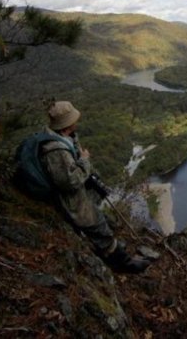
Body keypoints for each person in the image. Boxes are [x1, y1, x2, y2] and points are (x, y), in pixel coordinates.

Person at [41, 100, 151, 274]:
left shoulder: (63, 138)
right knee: (98, 225)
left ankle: (112, 248)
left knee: (100, 219)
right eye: (74, 120)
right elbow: (70, 181)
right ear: (67, 124)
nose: (77, 122)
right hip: (70, 201)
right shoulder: (55, 150)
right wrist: (84, 159)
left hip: (77, 196)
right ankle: (123, 264)